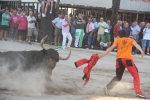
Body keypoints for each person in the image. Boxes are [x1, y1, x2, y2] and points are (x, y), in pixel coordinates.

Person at [98, 30, 146, 99]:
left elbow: (110, 48)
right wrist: (141, 51)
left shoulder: (118, 40)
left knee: (118, 77)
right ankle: (138, 92)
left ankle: (107, 88)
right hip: (127, 60)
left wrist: (102, 55)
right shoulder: (130, 39)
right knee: (136, 76)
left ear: (119, 36)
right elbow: (136, 45)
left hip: (119, 60)